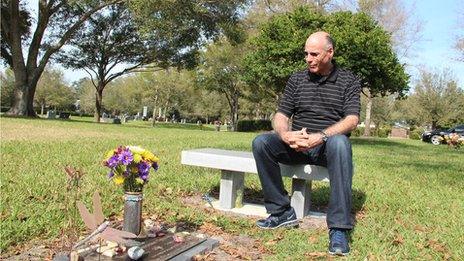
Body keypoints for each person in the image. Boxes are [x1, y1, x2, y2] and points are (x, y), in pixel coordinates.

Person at [252, 31, 360, 256]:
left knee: (340, 144)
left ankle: (339, 228)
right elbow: (281, 115)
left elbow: (352, 119)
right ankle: (281, 212)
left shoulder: (349, 80)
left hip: (325, 146)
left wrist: (320, 137)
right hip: (297, 143)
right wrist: (285, 135)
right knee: (262, 142)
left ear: (330, 53)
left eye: (314, 54)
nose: (308, 58)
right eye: (306, 54)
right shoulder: (297, 79)